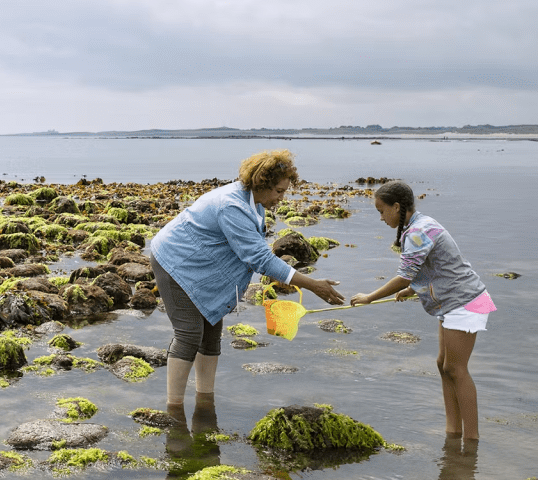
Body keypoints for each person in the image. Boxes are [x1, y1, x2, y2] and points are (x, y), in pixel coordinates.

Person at [150, 149, 345, 417]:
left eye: (284, 191)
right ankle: (174, 409)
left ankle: (205, 401)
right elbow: (259, 257)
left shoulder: (254, 203)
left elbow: (254, 252)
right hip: (175, 262)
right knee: (189, 334)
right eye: (278, 191)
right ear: (260, 183)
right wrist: (312, 284)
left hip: (202, 266)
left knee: (212, 328)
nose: (281, 197)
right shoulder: (232, 205)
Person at [351, 180, 495, 441]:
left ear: (397, 207)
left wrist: (369, 297)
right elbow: (433, 266)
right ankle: (453, 432)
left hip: (467, 301)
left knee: (456, 368)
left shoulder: (418, 231)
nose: (381, 217)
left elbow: (404, 275)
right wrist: (413, 289)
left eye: (381, 211)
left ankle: (471, 440)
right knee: (443, 365)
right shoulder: (418, 225)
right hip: (453, 302)